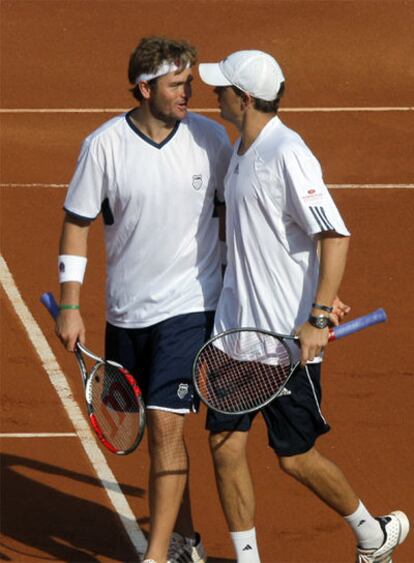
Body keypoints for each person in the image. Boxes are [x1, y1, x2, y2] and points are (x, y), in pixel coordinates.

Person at [198, 50, 410, 563]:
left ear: (245, 99)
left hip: (285, 347)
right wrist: (320, 286)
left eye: (222, 88)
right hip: (235, 336)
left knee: (294, 457)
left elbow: (333, 233)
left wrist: (317, 314)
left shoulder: (286, 152)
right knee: (225, 447)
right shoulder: (242, 151)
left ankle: (371, 532)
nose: (215, 94)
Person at [55, 36, 231, 563]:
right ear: (144, 86)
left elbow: (242, 215)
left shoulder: (210, 140)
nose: (189, 94)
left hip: (191, 306)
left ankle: (155, 557)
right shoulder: (104, 145)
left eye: (191, 84)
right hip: (127, 312)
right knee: (161, 437)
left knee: (165, 424)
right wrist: (69, 303)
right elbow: (76, 224)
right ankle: (187, 539)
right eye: (178, 85)